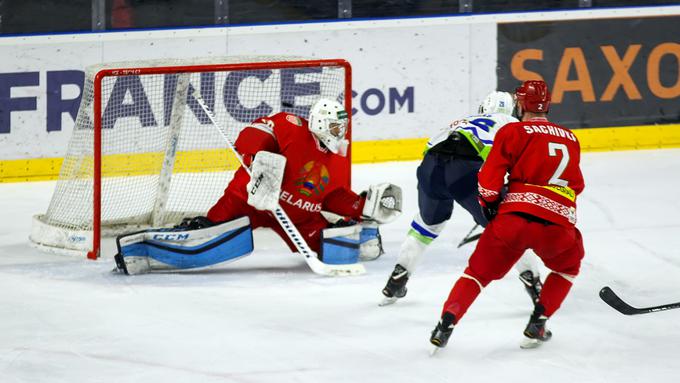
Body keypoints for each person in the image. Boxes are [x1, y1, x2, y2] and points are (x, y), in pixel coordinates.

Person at [114, 98, 401, 275]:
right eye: (337, 128)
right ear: (320, 124)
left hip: (296, 217)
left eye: (344, 127)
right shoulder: (292, 126)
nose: (342, 133)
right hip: (248, 200)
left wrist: (358, 206)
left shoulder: (337, 158)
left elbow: (331, 196)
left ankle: (363, 238)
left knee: (334, 247)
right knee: (206, 236)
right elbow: (255, 132)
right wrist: (253, 155)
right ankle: (143, 251)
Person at [429, 80, 585, 350]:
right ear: (546, 104)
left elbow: (489, 180)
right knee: (567, 268)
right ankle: (538, 321)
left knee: (476, 274)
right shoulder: (571, 137)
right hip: (557, 224)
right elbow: (577, 185)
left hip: (514, 219)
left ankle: (446, 323)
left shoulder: (513, 131)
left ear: (520, 104)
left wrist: (489, 204)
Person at [380, 91, 543, 306]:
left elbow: (429, 149)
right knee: (509, 229)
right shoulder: (512, 123)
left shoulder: (463, 121)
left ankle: (396, 280)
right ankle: (536, 289)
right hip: (464, 171)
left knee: (428, 225)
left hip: (430, 170)